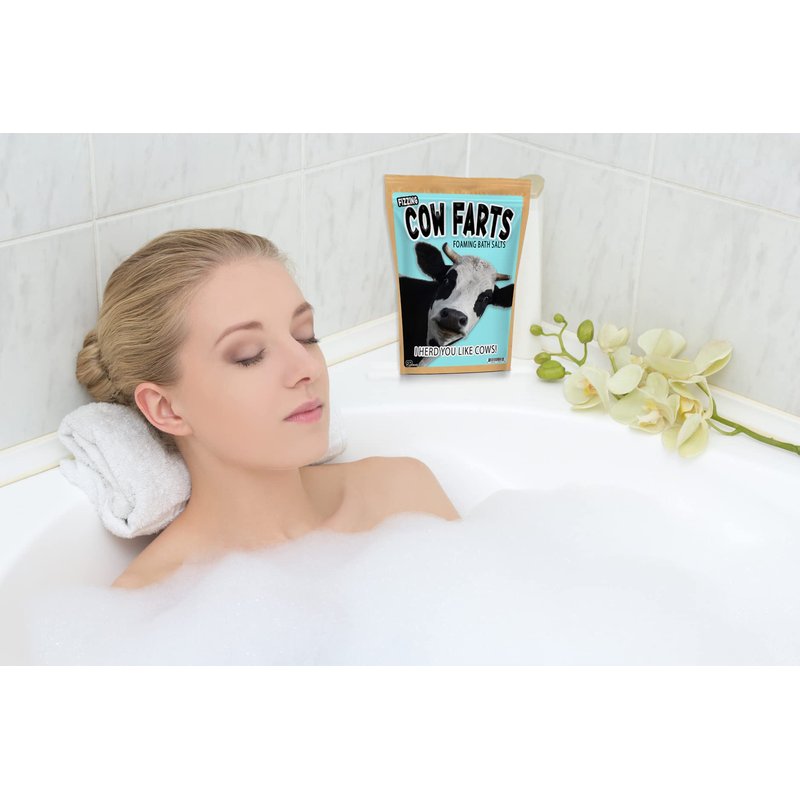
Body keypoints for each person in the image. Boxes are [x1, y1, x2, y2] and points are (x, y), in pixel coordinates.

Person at [75, 228, 460, 589]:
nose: (307, 367)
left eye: (305, 336)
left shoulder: (403, 495)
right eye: (249, 355)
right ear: (166, 409)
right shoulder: (154, 602)